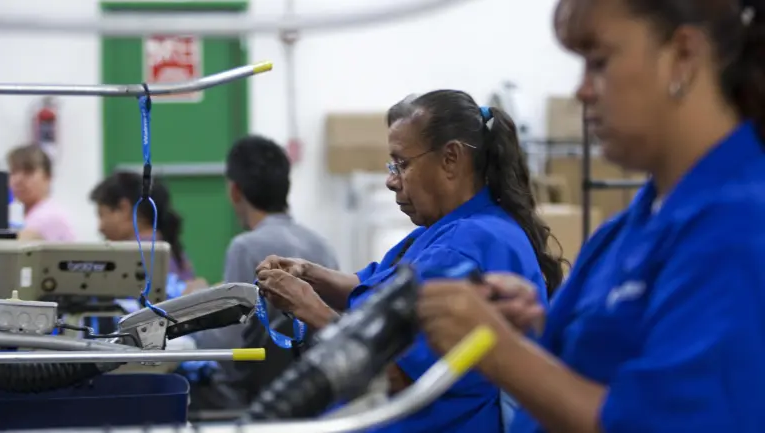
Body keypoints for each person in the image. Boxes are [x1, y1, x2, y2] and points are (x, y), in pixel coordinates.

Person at [416, 1, 765, 432]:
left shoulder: (739, 229)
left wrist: (498, 350)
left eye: (599, 63)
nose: (581, 91)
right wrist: (538, 329)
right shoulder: (626, 231)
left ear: (683, 56)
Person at [256, 90, 565, 433]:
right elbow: (373, 292)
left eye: (402, 164)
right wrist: (309, 275)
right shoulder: (450, 230)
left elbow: (396, 376)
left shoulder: (464, 247)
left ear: (451, 159)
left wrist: (307, 307)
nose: (391, 180)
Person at [187, 135, 339, 413]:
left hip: (256, 398)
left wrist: (196, 308)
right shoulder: (321, 245)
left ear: (235, 191)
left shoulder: (245, 247)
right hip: (316, 394)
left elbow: (228, 347)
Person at [89, 171, 195, 288]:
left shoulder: (129, 259)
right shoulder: (174, 252)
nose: (100, 227)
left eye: (102, 215)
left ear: (124, 208)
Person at [7, 144, 75, 241]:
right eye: (13, 172)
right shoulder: (25, 217)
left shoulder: (49, 217)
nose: (18, 180)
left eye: (28, 172)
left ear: (47, 176)